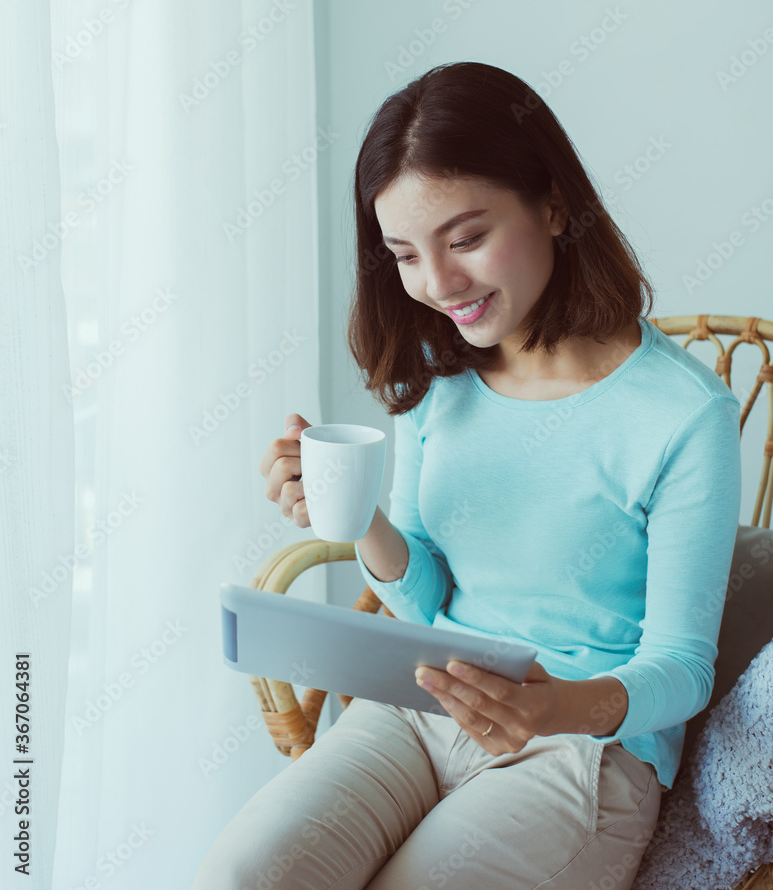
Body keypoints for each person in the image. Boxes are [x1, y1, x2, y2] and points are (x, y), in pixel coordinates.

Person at [191, 61, 742, 889]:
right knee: (246, 873)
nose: (437, 286)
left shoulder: (681, 414)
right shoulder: (441, 375)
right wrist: (359, 518)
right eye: (405, 254)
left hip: (577, 752)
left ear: (554, 205)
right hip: (419, 707)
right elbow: (425, 598)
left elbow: (682, 668)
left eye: (467, 239)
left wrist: (553, 704)